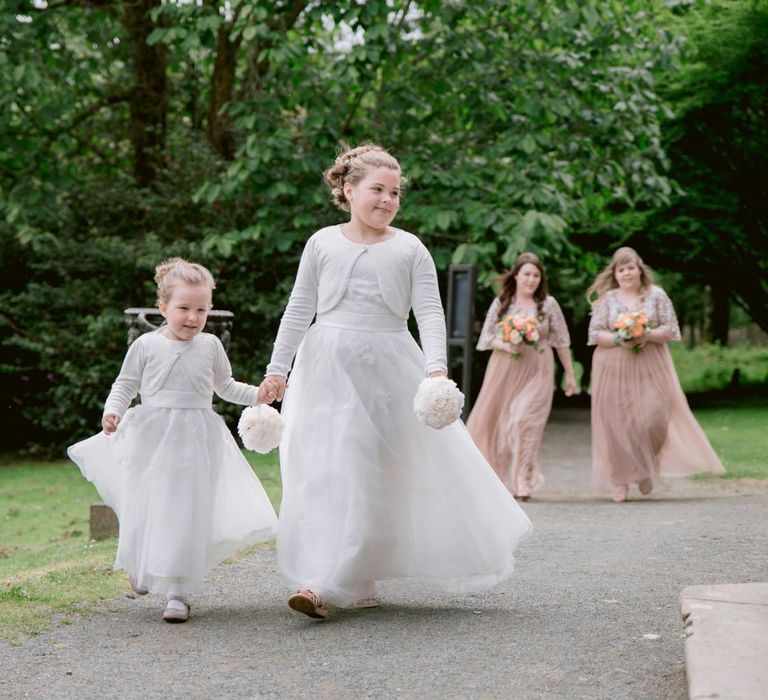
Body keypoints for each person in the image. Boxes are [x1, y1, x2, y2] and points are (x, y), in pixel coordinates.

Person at [259, 143, 533, 619]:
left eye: (395, 192)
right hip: (326, 367)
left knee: (376, 469)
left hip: (388, 368)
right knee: (328, 467)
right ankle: (325, 580)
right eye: (377, 190)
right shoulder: (322, 243)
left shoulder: (410, 248)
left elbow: (429, 311)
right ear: (348, 190)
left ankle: (356, 572)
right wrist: (276, 370)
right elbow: (300, 307)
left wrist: (435, 370)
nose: (388, 200)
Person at [68, 258, 278, 622]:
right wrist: (112, 410)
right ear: (163, 307)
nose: (193, 318)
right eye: (184, 309)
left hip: (196, 437)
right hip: (151, 434)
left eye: (202, 310)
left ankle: (179, 592)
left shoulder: (210, 345)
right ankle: (141, 563)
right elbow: (125, 384)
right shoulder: (147, 345)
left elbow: (225, 386)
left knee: (187, 509)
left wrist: (258, 395)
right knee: (149, 502)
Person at [586, 247, 725, 502]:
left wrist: (645, 334)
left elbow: (671, 329)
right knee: (618, 424)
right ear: (615, 274)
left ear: (640, 269)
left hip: (651, 365)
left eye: (631, 267)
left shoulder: (656, 295)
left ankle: (645, 467)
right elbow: (595, 334)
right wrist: (620, 337)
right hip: (613, 367)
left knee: (654, 419)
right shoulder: (608, 299)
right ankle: (620, 481)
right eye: (621, 269)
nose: (627, 273)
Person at [466, 253, 577, 499]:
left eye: (536, 275)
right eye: (527, 274)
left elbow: (561, 342)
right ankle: (504, 478)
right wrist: (507, 344)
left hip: (538, 369)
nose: (531, 279)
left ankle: (523, 479)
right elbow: (486, 338)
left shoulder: (548, 305)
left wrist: (570, 375)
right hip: (505, 369)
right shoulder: (502, 302)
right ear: (516, 275)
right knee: (503, 425)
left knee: (523, 421)